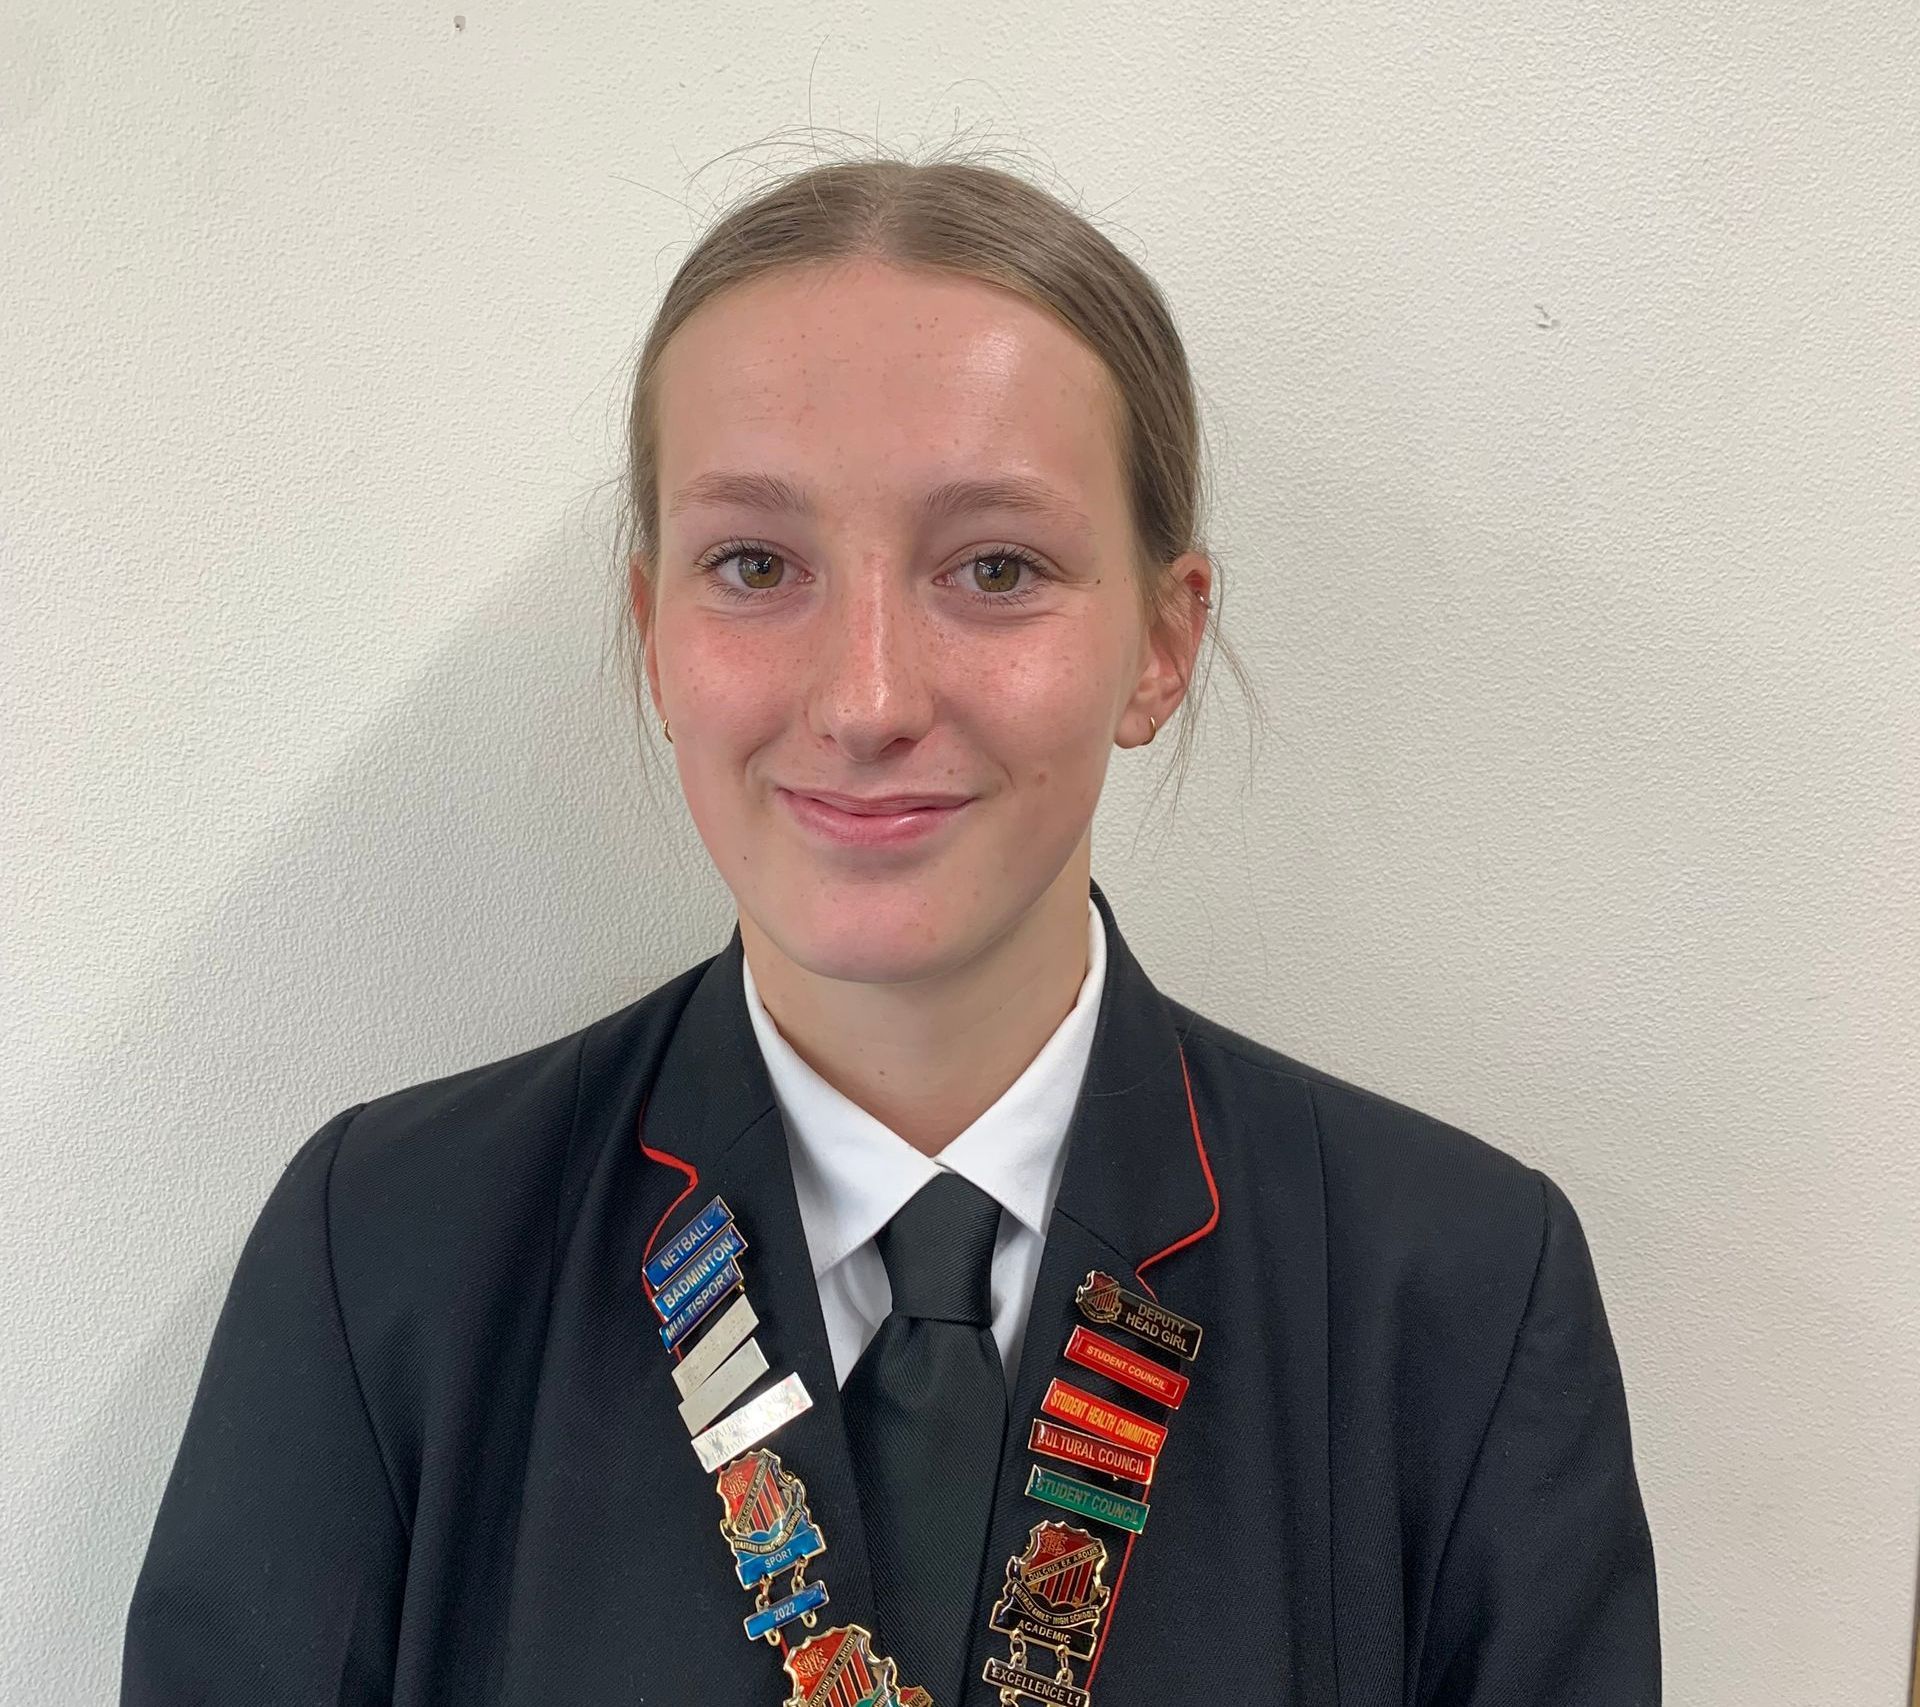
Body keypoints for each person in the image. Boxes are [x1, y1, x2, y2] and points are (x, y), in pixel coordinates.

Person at [121, 152, 1659, 1707]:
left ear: (1161, 642)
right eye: (755, 565)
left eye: (996, 568)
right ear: (653, 633)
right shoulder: (390, 1258)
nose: (866, 701)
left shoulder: (1457, 1295)